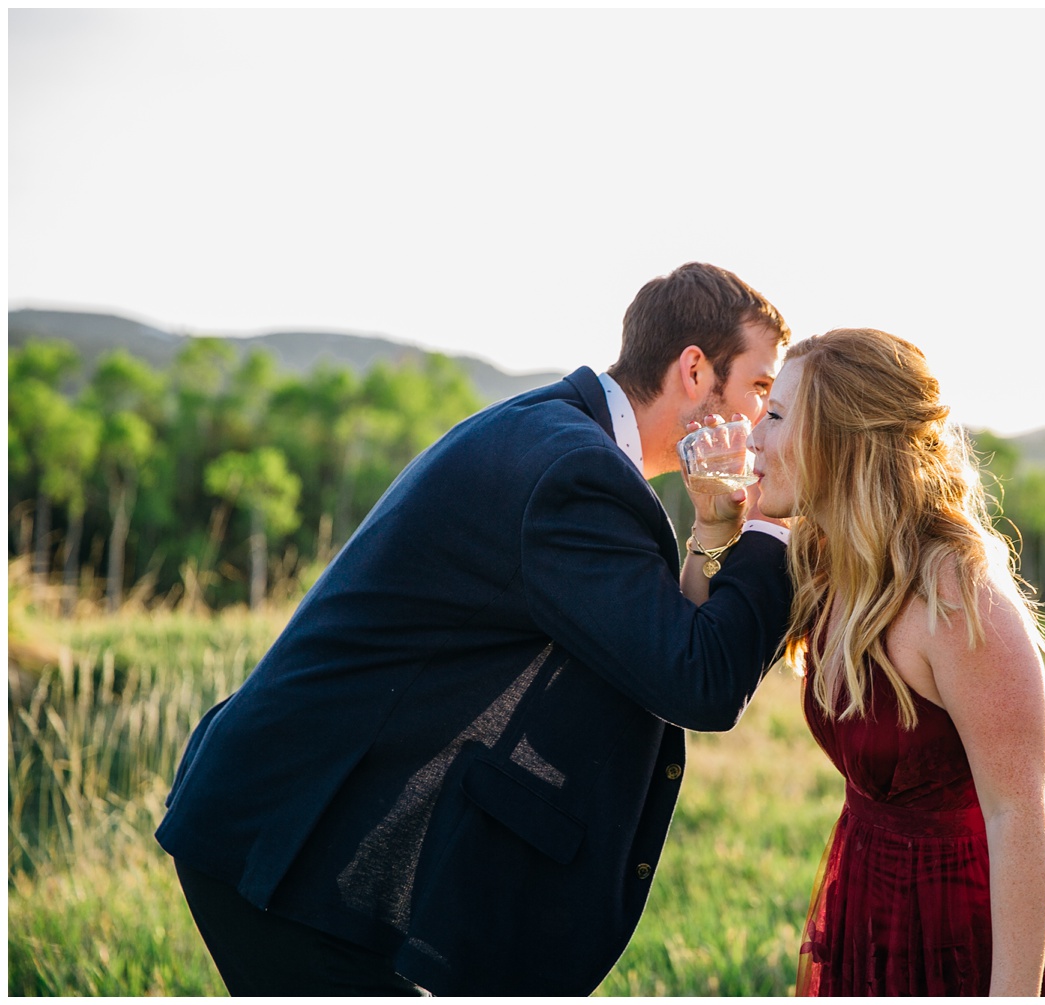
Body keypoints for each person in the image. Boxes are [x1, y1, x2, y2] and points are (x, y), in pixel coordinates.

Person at [155, 263, 795, 996]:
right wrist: (773, 526)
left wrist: (715, 528)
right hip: (285, 842)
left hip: (287, 823)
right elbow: (697, 680)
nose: (764, 422)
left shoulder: (559, 437)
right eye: (760, 389)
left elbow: (655, 652)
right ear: (693, 369)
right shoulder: (576, 475)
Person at [748, 328, 1045, 997]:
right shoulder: (830, 567)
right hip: (870, 909)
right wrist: (712, 532)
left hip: (970, 937)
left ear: (838, 438)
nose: (752, 438)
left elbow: (1019, 817)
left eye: (774, 416)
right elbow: (698, 670)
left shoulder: (956, 597)